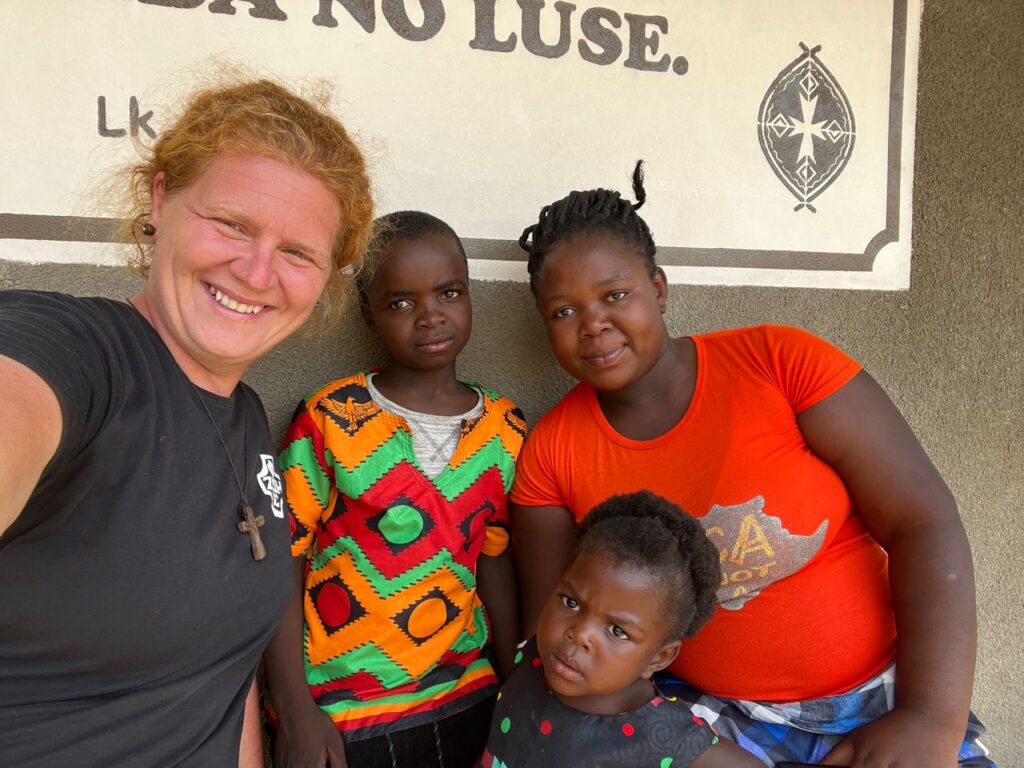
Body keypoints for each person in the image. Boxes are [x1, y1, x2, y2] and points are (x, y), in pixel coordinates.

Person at [509, 162, 993, 767]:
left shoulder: (779, 363)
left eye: (615, 295)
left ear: (658, 288)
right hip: (709, 719)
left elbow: (921, 518)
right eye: (563, 312)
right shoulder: (553, 450)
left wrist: (930, 716)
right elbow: (552, 638)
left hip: (886, 697)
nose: (593, 325)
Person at [0, 78, 374, 767]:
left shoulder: (246, 418)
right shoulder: (73, 354)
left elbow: (221, 674)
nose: (256, 272)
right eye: (232, 224)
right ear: (161, 201)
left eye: (297, 253)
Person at [262, 210, 526, 768]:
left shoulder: (504, 429)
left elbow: (495, 559)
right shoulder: (332, 417)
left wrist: (517, 685)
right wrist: (293, 705)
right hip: (343, 710)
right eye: (401, 302)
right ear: (369, 314)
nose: (430, 316)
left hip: (466, 694)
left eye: (449, 293)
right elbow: (282, 558)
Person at [483, 491, 764, 768]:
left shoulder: (661, 736)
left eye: (617, 631)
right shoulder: (532, 658)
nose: (579, 635)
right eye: (571, 602)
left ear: (659, 658)